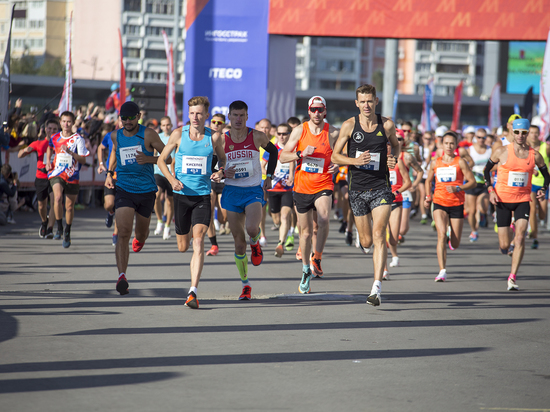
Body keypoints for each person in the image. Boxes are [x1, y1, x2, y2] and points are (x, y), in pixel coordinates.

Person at [331, 85, 399, 306]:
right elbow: (335, 156)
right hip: (357, 189)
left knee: (380, 235)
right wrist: (354, 161)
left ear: (376, 101)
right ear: (356, 103)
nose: (367, 105)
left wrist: (393, 158)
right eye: (363, 101)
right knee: (368, 240)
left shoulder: (387, 124)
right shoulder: (349, 125)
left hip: (381, 187)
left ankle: (376, 287)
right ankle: (362, 239)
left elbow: (397, 147)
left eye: (370, 101)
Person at [157, 96, 226, 308]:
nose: (195, 117)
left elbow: (222, 159)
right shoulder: (179, 134)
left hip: (203, 196)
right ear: (189, 115)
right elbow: (161, 160)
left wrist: (219, 171)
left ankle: (192, 291)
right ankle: (181, 237)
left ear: (206, 115)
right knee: (182, 246)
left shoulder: (214, 138)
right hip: (181, 196)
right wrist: (171, 180)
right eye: (192, 113)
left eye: (199, 114)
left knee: (198, 241)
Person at [105, 101, 169, 295]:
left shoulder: (148, 134)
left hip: (146, 191)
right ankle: (121, 276)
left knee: (140, 234)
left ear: (138, 116)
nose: (128, 121)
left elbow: (168, 157)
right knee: (123, 232)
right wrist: (109, 173)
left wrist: (149, 159)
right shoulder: (116, 136)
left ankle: (140, 240)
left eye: (131, 117)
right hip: (124, 188)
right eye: (124, 118)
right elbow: (115, 153)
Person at [280, 96, 339, 293]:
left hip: (323, 184)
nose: (316, 113)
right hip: (302, 187)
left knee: (323, 219)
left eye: (320, 110)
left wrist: (338, 163)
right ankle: (306, 268)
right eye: (313, 110)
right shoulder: (299, 130)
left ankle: (318, 257)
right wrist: (300, 154)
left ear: (325, 111)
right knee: (305, 233)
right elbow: (282, 156)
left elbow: (345, 152)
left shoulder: (332, 132)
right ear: (308, 111)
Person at [220, 100, 278, 300]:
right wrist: (219, 172)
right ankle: (246, 285)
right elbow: (213, 164)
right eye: (234, 115)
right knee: (238, 243)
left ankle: (255, 242)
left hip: (253, 190)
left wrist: (269, 176)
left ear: (246, 117)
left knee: (252, 229)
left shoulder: (257, 136)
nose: (238, 119)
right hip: (231, 192)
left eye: (241, 115)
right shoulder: (221, 140)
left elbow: (274, 151)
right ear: (229, 116)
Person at [484, 118, 550, 291]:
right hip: (503, 201)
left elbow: (546, 173)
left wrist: (543, 188)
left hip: (522, 200)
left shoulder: (534, 155)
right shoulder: (501, 152)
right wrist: (491, 189)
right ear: (512, 133)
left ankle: (512, 276)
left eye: (524, 133)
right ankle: (508, 244)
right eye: (517, 132)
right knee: (505, 246)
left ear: (527, 134)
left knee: (520, 237)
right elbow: (486, 171)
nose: (520, 135)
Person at [424, 131, 476, 282]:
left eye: (451, 143)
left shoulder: (460, 162)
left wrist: (459, 188)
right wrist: (428, 197)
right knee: (440, 235)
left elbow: (472, 182)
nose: (448, 146)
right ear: (441, 144)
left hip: (456, 203)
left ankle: (449, 237)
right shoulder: (435, 162)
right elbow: (428, 181)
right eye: (446, 143)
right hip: (439, 202)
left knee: (455, 243)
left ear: (456, 145)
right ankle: (442, 270)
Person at [45, 111, 90, 248]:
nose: (66, 124)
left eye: (69, 122)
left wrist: (70, 152)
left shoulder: (78, 139)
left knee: (69, 207)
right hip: (57, 172)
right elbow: (50, 148)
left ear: (73, 123)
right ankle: (58, 227)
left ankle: (67, 231)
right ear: (60, 122)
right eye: (64, 121)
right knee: (57, 198)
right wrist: (48, 161)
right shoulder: (55, 137)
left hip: (72, 174)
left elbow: (83, 159)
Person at [17, 118, 59, 238]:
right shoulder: (39, 143)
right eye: (50, 128)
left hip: (55, 176)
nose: (52, 131)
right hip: (41, 176)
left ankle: (50, 229)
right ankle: (44, 222)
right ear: (45, 129)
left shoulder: (60, 143)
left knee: (56, 200)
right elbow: (20, 154)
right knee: (42, 205)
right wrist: (25, 150)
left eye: (55, 129)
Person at [262, 123, 295, 257]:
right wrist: (270, 174)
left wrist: (293, 176)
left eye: (284, 134)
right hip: (273, 188)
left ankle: (280, 243)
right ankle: (282, 229)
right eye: (279, 134)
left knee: (285, 215)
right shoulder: (271, 149)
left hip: (288, 189)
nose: (281, 136)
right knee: (276, 218)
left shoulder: (294, 149)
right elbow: (262, 166)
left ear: (289, 135)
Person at [458, 127, 491, 242]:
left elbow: (496, 165)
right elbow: (463, 164)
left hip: (485, 183)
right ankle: (474, 230)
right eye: (479, 137)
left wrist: (487, 172)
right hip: (472, 183)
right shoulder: (470, 150)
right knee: (471, 211)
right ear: (475, 138)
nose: (481, 140)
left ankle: (481, 215)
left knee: (482, 208)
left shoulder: (490, 150)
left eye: (483, 138)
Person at [206, 113, 229, 256]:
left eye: (219, 122)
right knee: (208, 210)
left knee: (223, 216)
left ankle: (222, 222)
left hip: (224, 179)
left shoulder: (228, 139)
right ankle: (214, 244)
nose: (216, 124)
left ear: (224, 125)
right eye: (214, 122)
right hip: (208, 179)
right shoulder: (205, 138)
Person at [527, 125, 549, 249]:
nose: (534, 135)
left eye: (536, 133)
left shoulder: (546, 147)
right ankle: (534, 237)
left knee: (542, 214)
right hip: (530, 184)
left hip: (543, 184)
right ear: (528, 134)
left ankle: (533, 228)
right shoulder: (525, 148)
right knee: (532, 210)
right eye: (532, 132)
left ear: (539, 134)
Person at [153, 116, 175, 240]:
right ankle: (160, 221)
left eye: (168, 125)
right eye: (163, 125)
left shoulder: (175, 136)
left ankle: (167, 226)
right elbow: (154, 155)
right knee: (156, 195)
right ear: (160, 126)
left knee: (169, 202)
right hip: (159, 171)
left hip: (171, 173)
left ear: (171, 125)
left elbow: (177, 155)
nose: (166, 127)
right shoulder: (158, 137)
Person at [97, 121, 119, 245]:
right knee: (109, 204)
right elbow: (101, 147)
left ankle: (116, 234)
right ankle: (110, 213)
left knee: (121, 207)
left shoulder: (135, 137)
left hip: (126, 177)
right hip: (112, 175)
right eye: (122, 119)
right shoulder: (111, 135)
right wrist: (101, 164)